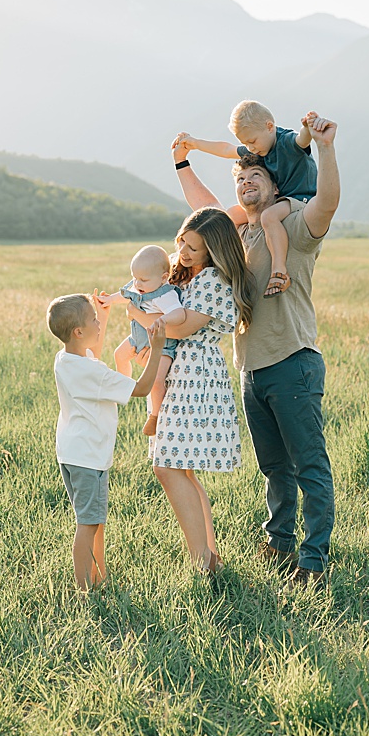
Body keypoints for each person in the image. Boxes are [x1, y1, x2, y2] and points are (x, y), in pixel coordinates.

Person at [171, 113, 341, 589]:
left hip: (292, 362)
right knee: (274, 468)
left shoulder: (293, 227)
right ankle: (280, 540)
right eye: (241, 178)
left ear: (275, 184)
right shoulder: (238, 235)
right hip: (251, 369)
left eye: (256, 176)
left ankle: (313, 559)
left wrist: (324, 151)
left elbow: (326, 203)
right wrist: (183, 163)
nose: (246, 183)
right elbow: (204, 210)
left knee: (308, 465)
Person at [125, 207, 255, 575]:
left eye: (193, 247)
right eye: (182, 240)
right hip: (180, 371)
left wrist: (138, 316)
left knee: (168, 467)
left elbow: (181, 330)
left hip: (196, 374)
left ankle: (202, 559)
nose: (182, 250)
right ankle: (209, 557)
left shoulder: (213, 279)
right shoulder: (188, 275)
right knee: (179, 469)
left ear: (214, 251)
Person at [47, 292, 166, 591]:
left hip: (72, 453)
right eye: (94, 320)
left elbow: (94, 356)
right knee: (88, 524)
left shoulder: (67, 359)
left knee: (94, 520)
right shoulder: (93, 373)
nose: (98, 323)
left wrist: (106, 314)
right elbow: (140, 388)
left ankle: (98, 577)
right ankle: (85, 590)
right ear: (78, 332)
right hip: (89, 457)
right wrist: (157, 349)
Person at [176, 101, 320, 297]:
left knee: (269, 217)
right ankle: (210, 263)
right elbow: (227, 149)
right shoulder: (260, 147)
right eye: (246, 144)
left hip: (300, 198)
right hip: (281, 200)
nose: (250, 148)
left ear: (270, 127)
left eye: (252, 141)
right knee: (230, 215)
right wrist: (195, 143)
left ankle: (279, 271)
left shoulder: (285, 141)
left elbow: (302, 141)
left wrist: (308, 127)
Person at [97, 244, 185, 436]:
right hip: (138, 338)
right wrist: (109, 300)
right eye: (135, 277)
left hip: (162, 348)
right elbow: (125, 294)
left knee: (156, 381)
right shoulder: (141, 286)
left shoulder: (165, 294)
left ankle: (155, 416)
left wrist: (160, 321)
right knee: (119, 355)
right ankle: (124, 386)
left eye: (143, 279)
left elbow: (179, 315)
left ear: (163, 278)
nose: (137, 284)